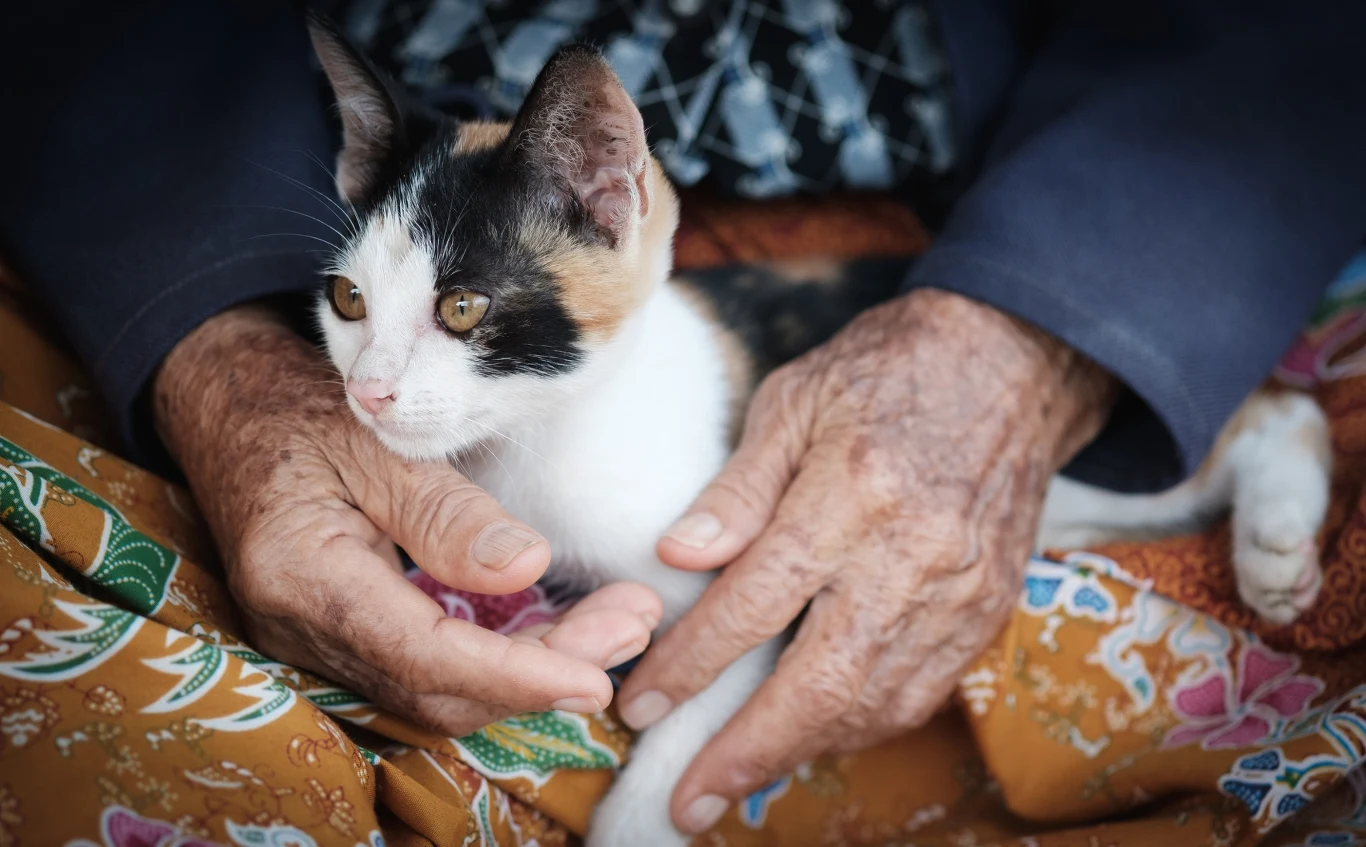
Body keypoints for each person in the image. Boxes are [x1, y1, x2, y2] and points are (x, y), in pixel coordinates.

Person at [2, 0, 1366, 842]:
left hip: (1014, 229)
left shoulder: (615, 369)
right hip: (203, 197)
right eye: (355, 305)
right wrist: (249, 332)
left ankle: (1257, 432)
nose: (370, 379)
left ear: (611, 193)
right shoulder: (382, 252)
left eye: (454, 322)